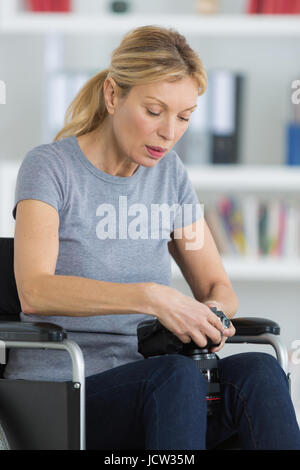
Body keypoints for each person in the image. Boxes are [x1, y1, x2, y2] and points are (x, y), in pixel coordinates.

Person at [5, 25, 300, 450]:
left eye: (184, 116)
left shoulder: (170, 178)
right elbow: (35, 290)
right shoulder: (50, 168)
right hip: (67, 389)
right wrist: (151, 297)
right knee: (175, 376)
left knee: (259, 370)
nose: (170, 132)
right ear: (112, 95)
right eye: (154, 111)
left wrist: (210, 314)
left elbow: (218, 286)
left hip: (160, 387)